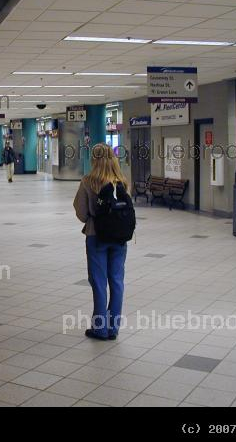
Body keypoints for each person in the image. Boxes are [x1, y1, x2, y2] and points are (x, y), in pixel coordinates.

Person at [73, 143, 130, 341]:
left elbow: (81, 213)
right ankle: (113, 328)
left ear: (94, 160)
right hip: (120, 237)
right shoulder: (121, 180)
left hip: (96, 236)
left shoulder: (89, 181)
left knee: (98, 282)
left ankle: (100, 329)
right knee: (116, 281)